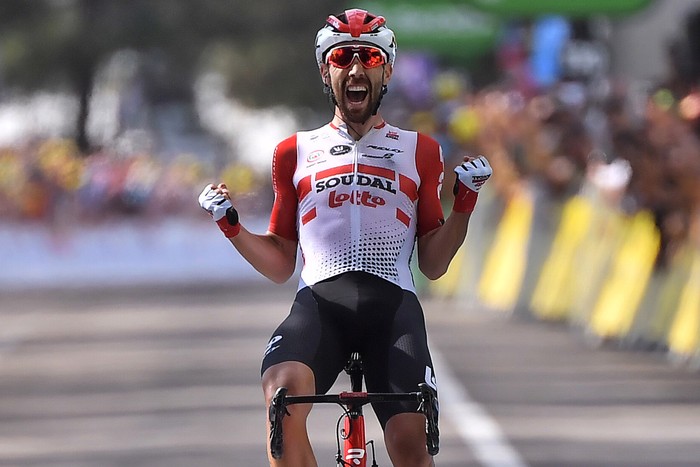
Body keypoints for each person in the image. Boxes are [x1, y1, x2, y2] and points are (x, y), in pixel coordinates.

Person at [198, 8, 492, 467]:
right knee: (282, 395)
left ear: (387, 69)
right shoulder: (293, 152)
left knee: (410, 440)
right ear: (325, 69)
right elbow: (280, 263)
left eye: (369, 58)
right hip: (320, 305)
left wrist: (464, 206)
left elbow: (433, 263)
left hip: (391, 308)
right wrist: (231, 226)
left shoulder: (421, 150)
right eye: (343, 58)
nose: (356, 69)